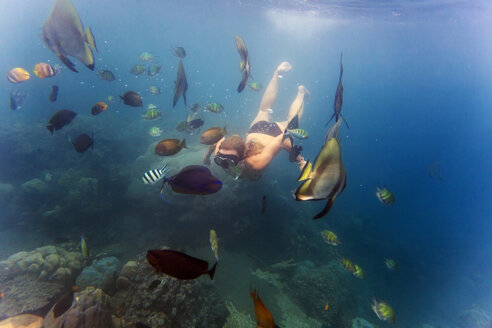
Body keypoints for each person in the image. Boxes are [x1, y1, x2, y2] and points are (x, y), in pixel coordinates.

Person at [203, 61, 308, 180]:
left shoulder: (256, 163)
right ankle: (276, 73)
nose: (224, 164)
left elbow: (281, 140)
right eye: (218, 160)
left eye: (231, 161)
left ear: (242, 156)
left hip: (274, 135)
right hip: (256, 129)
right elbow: (219, 139)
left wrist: (300, 162)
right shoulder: (221, 153)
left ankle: (301, 93)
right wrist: (207, 157)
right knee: (263, 110)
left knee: (292, 124)